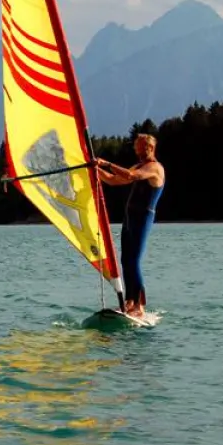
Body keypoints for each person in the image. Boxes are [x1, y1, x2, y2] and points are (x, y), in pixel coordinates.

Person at [96, 133, 165, 317]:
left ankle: (139, 306)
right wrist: (95, 171)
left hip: (142, 218)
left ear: (149, 148)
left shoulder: (155, 168)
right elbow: (113, 180)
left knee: (134, 261)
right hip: (129, 217)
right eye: (135, 145)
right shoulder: (140, 165)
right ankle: (129, 302)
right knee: (125, 261)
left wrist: (107, 164)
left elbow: (130, 175)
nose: (135, 149)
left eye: (138, 146)